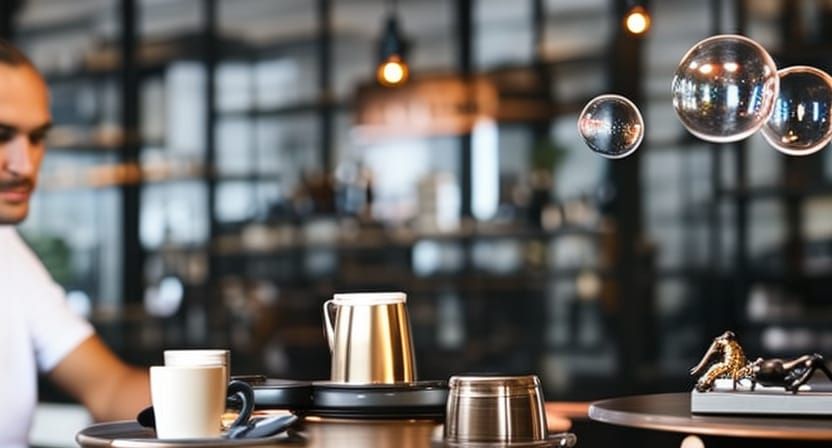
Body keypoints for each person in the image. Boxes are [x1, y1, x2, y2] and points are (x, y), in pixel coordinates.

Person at [0, 40, 150, 446]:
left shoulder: (7, 251)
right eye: (2, 134)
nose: (24, 164)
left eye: (37, 138)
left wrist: (248, 409)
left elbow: (108, 388)